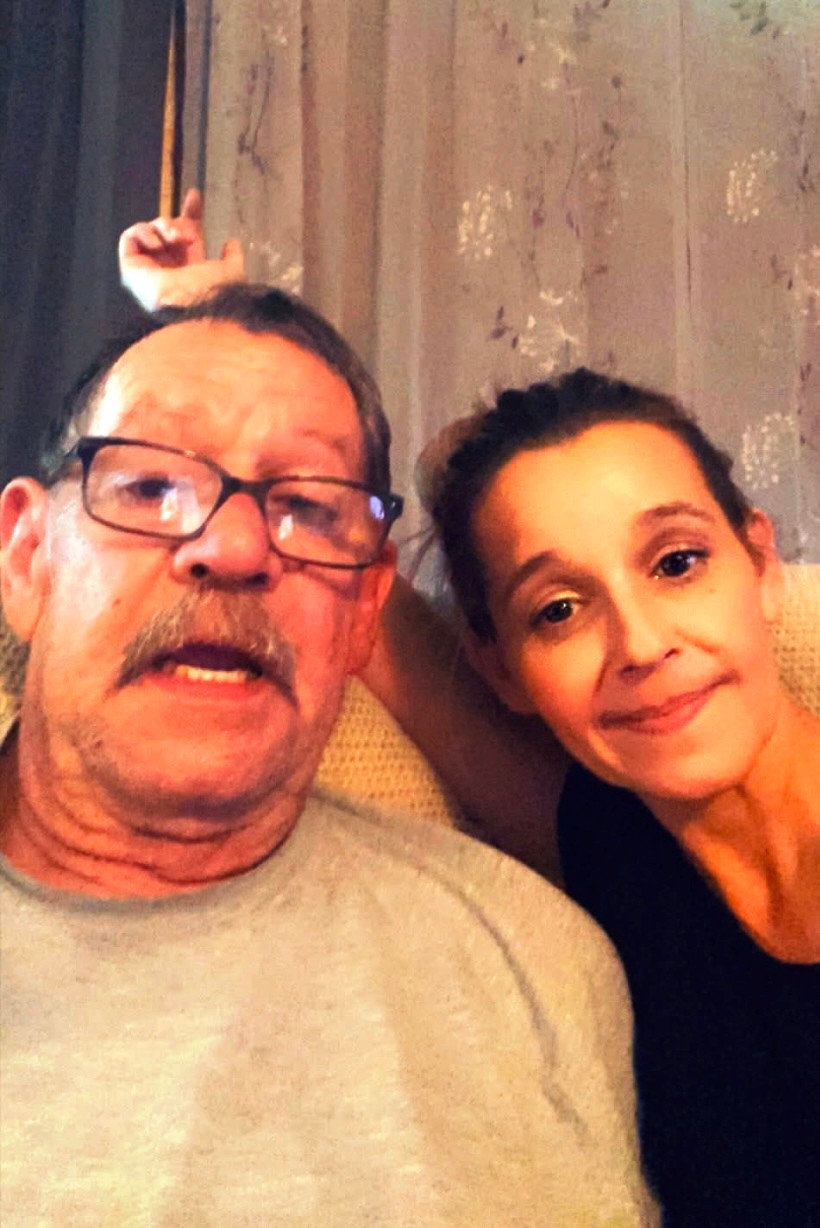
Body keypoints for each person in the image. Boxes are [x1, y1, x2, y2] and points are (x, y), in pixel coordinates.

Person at [0, 283, 654, 1223]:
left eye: (306, 508)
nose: (232, 547)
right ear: (26, 556)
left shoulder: (536, 962)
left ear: (363, 611)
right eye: (148, 487)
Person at [379, 372, 820, 1227]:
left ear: (762, 567)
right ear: (501, 670)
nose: (642, 645)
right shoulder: (613, 848)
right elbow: (355, 598)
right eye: (558, 610)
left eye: (677, 563)